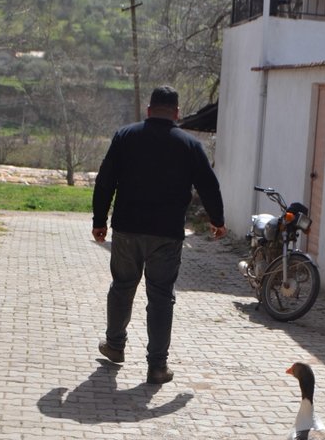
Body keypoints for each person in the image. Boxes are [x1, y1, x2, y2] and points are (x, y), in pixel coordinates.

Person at [92, 86, 226, 384]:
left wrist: (99, 220)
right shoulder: (190, 145)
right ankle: (157, 367)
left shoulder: (125, 137)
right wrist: (217, 220)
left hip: (127, 229)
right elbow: (209, 185)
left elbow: (105, 181)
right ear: (177, 113)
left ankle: (114, 345)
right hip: (167, 234)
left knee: (122, 286)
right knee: (161, 297)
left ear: (149, 109)